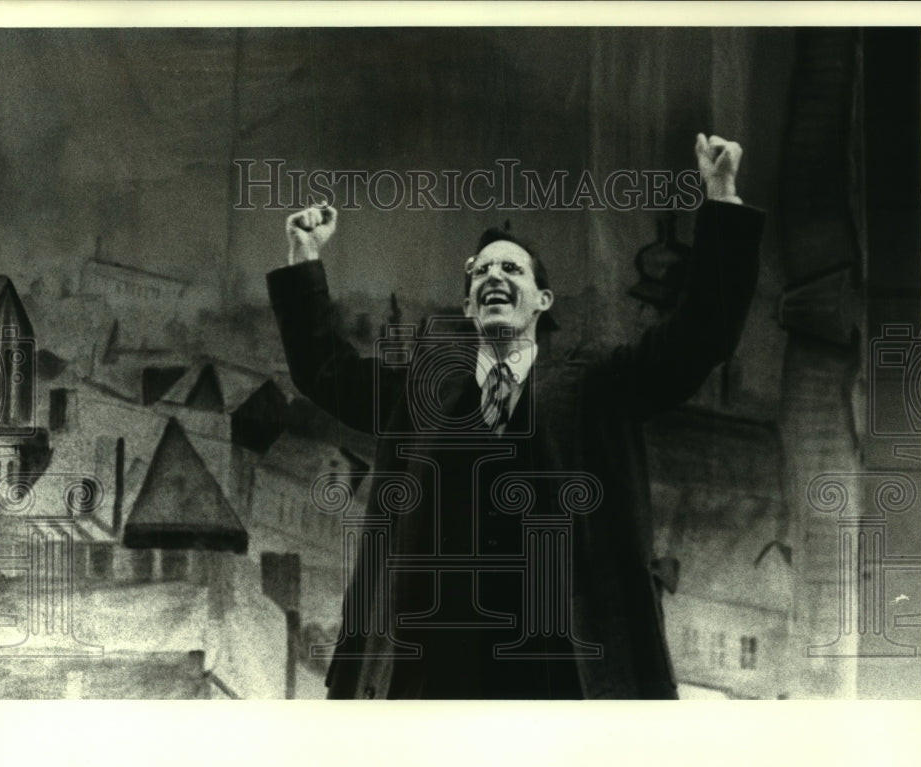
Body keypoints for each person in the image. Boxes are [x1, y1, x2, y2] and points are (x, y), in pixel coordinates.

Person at [267, 134, 764, 699]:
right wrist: (303, 258)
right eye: (480, 273)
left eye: (512, 270)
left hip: (558, 666)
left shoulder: (597, 385)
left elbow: (699, 338)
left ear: (543, 302)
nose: (494, 277)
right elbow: (325, 372)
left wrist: (722, 199)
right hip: (433, 665)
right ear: (468, 305)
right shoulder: (422, 391)